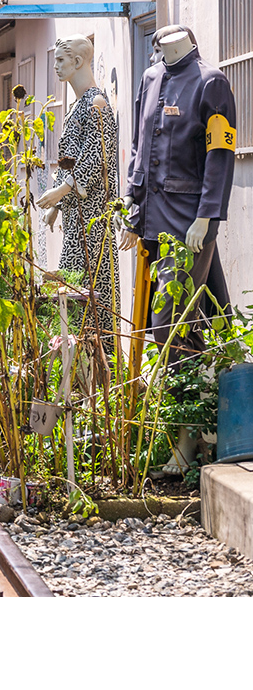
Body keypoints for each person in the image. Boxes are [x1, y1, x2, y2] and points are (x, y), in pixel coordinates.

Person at [118, 26, 237, 475]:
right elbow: (139, 148)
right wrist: (132, 205)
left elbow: (220, 152)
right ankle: (215, 427)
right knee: (212, 317)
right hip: (151, 219)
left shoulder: (211, 82)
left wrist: (207, 216)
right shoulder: (149, 79)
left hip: (190, 223)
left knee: (173, 326)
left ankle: (187, 441)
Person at [36, 34, 120, 354]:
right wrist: (58, 203)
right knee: (73, 284)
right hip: (76, 214)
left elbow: (98, 157)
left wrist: (63, 190)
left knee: (92, 284)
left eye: (60, 60)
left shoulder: (96, 103)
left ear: (78, 62)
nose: (56, 66)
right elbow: (70, 158)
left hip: (94, 214)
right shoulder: (77, 107)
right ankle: (77, 358)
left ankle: (101, 358)